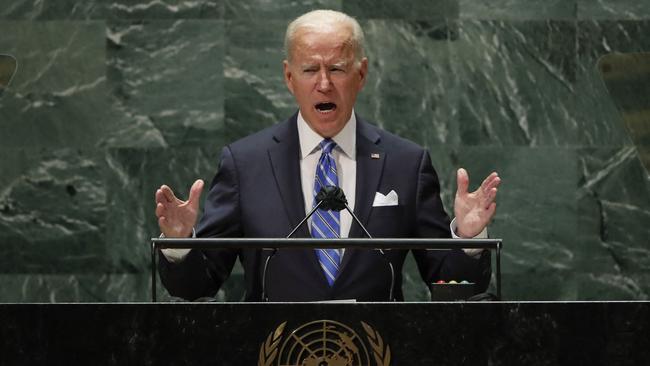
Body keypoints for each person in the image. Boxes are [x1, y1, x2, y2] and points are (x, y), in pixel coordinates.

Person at [155, 9, 501, 302]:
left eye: (336, 68)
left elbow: (451, 286)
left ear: (361, 74)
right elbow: (199, 285)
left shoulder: (406, 163)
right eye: (309, 70)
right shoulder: (246, 164)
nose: (324, 84)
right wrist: (180, 244)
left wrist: (469, 241)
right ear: (289, 77)